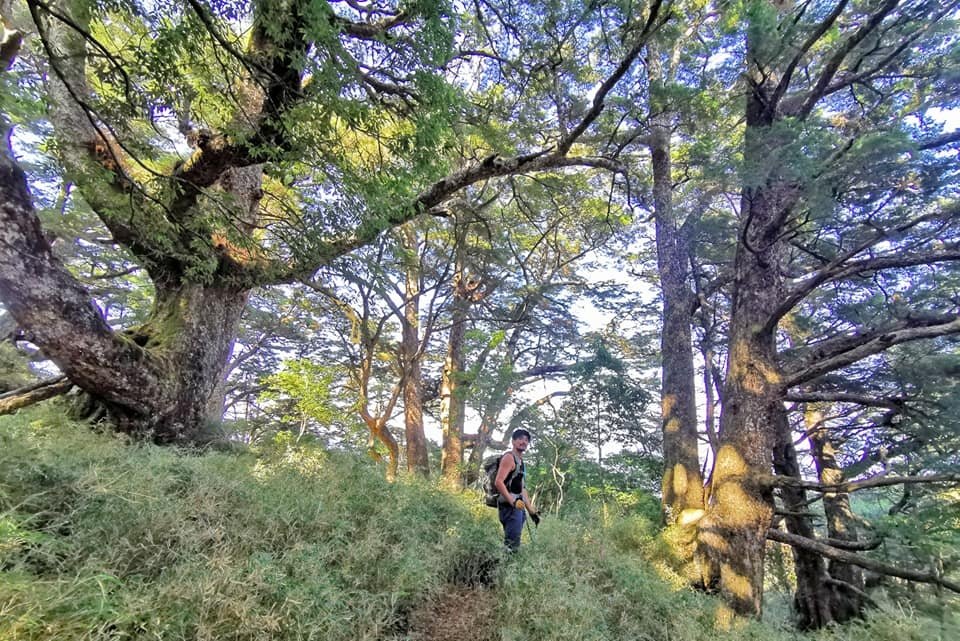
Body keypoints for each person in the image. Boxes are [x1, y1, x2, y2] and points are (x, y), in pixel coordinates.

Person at [494, 428, 540, 550]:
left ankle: (504, 563)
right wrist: (513, 502)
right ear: (513, 441)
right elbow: (498, 482)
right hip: (509, 507)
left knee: (512, 542)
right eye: (520, 438)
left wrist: (531, 511)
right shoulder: (509, 458)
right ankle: (501, 566)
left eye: (526, 440)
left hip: (517, 506)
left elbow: (522, 488)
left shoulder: (521, 461)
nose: (523, 442)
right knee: (512, 546)